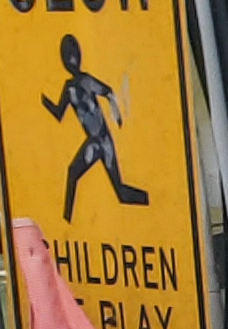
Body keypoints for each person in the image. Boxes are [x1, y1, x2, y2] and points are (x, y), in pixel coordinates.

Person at [41, 34, 153, 215]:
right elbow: (59, 113)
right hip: (93, 142)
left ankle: (153, 201)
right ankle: (67, 220)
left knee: (121, 192)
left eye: (73, 56)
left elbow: (108, 92)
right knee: (72, 173)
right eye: (68, 57)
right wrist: (43, 101)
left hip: (103, 140)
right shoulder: (68, 88)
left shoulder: (86, 80)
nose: (71, 61)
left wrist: (117, 115)